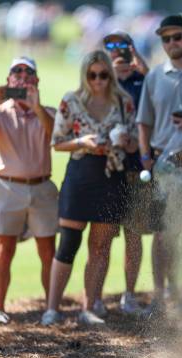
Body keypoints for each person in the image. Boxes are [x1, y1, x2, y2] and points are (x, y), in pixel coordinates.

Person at [41, 50, 137, 326]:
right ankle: (52, 309)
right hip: (81, 175)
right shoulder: (71, 102)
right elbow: (57, 143)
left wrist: (125, 141)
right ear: (85, 75)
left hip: (111, 175)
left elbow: (133, 145)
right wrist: (83, 142)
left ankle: (89, 306)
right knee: (68, 242)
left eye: (103, 75)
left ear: (110, 74)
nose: (98, 81)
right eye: (92, 75)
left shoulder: (124, 102)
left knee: (100, 246)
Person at [134, 15, 182, 315]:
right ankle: (159, 296)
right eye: (165, 39)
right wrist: (145, 158)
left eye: (176, 37)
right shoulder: (155, 76)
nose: (171, 44)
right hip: (165, 165)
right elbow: (144, 123)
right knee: (163, 234)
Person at [0, 56, 57, 326]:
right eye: (16, 73)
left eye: (28, 73)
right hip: (8, 186)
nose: (22, 77)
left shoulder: (48, 111)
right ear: (8, 81)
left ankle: (50, 308)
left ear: (36, 80)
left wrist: (36, 106)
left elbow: (56, 137)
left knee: (47, 251)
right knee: (3, 250)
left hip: (41, 186)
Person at [99, 30, 150, 318]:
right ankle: (96, 298)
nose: (117, 50)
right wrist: (111, 76)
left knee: (134, 234)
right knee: (102, 236)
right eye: (110, 44)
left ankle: (129, 296)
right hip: (105, 168)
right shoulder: (100, 79)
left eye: (123, 45)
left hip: (134, 167)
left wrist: (140, 65)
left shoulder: (142, 80)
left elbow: (157, 91)